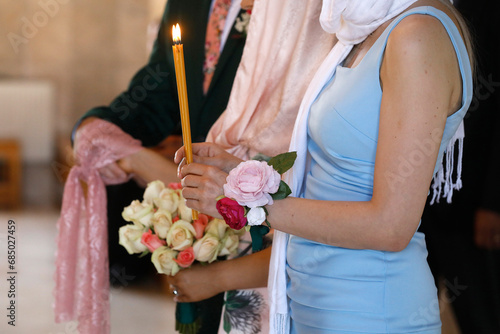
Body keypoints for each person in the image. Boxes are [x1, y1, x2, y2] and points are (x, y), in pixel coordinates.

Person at [175, 0, 475, 333]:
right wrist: (239, 172)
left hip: (368, 309)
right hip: (310, 301)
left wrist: (245, 203)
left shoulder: (418, 35)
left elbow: (390, 227)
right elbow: (331, 176)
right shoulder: (366, 24)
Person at [118, 0, 336, 332]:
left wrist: (219, 274)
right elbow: (160, 82)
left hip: (280, 248)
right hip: (229, 189)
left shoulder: (304, 20)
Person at [72, 0, 248, 332]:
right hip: (195, 210)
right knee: (200, 315)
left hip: (260, 206)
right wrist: (98, 125)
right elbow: (158, 90)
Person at [420, 0, 500, 332]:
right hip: (412, 197)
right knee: (414, 313)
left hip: (473, 201)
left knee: (481, 316)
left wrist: (493, 202)